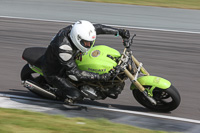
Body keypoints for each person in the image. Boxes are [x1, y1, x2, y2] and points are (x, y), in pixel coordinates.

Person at [41, 20, 130, 104]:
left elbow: (99, 28)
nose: (89, 45)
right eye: (86, 43)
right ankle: (57, 92)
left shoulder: (78, 30)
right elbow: (75, 73)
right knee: (76, 95)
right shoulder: (64, 48)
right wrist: (102, 77)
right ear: (77, 39)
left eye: (90, 42)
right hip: (55, 71)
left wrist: (120, 32)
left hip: (70, 58)